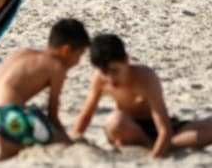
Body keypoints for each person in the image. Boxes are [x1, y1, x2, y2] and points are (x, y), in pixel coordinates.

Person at [72, 35, 212, 158]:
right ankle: (159, 146)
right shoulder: (100, 79)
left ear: (127, 60)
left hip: (158, 127)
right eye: (105, 73)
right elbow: (85, 115)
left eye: (115, 71)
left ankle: (160, 146)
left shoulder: (146, 78)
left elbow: (165, 129)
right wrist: (74, 140)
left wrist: (154, 156)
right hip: (128, 128)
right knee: (115, 122)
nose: (111, 79)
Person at [0, 19, 89, 161]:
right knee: (49, 132)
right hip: (7, 117)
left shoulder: (22, 53)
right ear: (66, 50)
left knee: (9, 120)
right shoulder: (56, 67)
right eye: (79, 55)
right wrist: (67, 140)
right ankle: (6, 144)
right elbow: (53, 116)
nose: (78, 62)